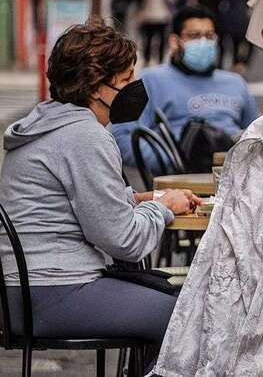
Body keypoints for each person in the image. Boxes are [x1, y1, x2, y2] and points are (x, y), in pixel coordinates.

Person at [0, 19, 201, 369]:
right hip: (52, 293)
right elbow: (124, 240)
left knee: (174, 302)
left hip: (23, 290)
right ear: (96, 87)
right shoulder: (85, 137)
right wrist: (164, 209)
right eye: (125, 81)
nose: (135, 88)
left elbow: (77, 202)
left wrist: (143, 199)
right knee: (189, 314)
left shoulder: (50, 122)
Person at [112, 5, 259, 174]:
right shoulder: (149, 81)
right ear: (175, 42)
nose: (203, 42)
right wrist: (176, 158)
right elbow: (123, 138)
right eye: (194, 36)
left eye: (209, 36)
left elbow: (254, 136)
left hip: (234, 177)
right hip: (179, 183)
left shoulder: (236, 83)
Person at [217, 0, 255, 73]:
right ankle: (240, 63)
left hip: (230, 19)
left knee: (233, 44)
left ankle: (234, 64)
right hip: (242, 19)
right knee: (246, 42)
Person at [138, 0, 178, 65]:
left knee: (148, 38)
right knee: (161, 39)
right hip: (162, 15)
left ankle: (147, 60)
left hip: (147, 15)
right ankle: (159, 60)